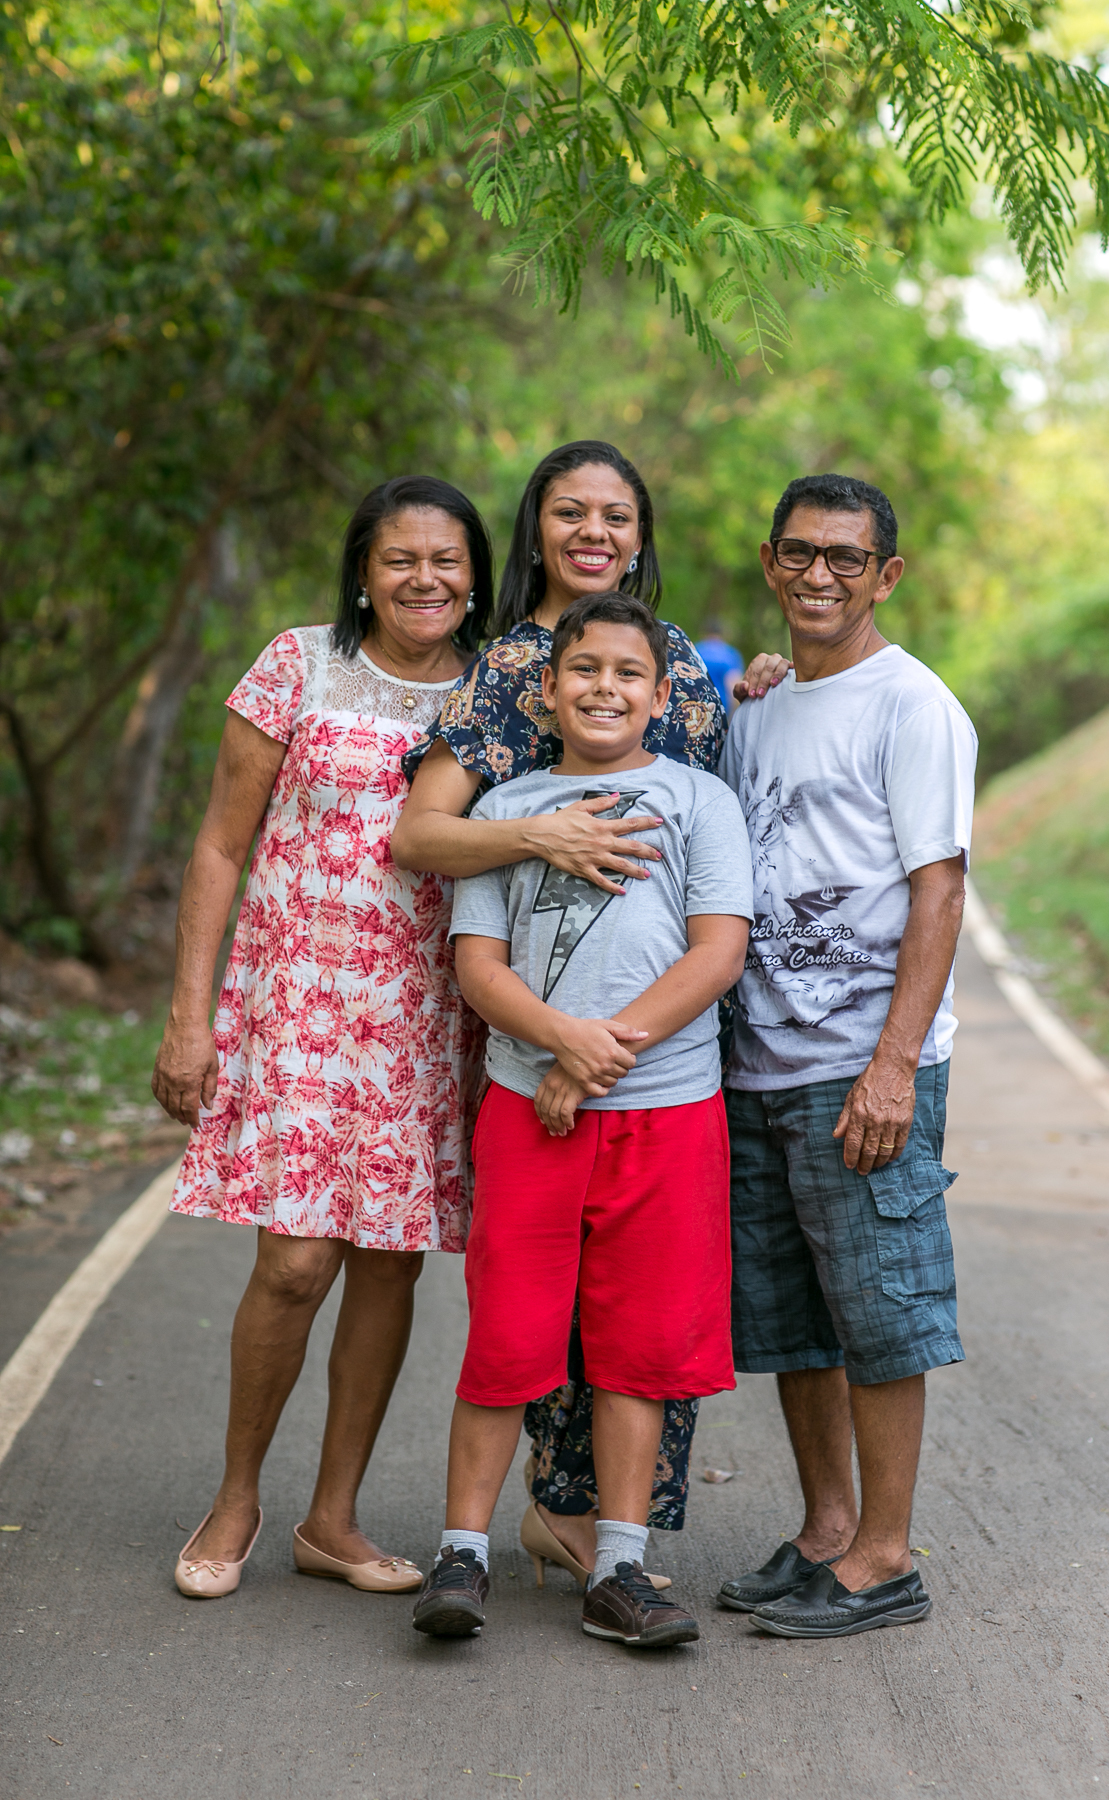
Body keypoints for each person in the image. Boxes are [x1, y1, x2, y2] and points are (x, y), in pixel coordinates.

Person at [393, 439, 788, 1586]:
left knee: (642, 1326)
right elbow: (428, 837)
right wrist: (541, 835)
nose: (595, 531)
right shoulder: (512, 663)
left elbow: (717, 857)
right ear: (536, 526)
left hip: (653, 1056)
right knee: (523, 1318)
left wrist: (762, 684)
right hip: (538, 1029)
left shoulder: (682, 668)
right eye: (570, 511)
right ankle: (524, 1521)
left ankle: (608, 1539)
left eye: (617, 513)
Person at [151, 476, 491, 1600]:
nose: (426, 579)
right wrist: (188, 1015)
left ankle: (333, 1518)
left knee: (391, 1265)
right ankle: (237, 1496)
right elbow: (217, 848)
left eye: (448, 561)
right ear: (363, 570)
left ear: (476, 576)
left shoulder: (499, 693)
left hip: (430, 1019)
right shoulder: (295, 665)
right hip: (296, 1008)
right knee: (295, 1265)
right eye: (402, 559)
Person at [715, 473, 976, 1639]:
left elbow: (939, 888)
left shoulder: (913, 705)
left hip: (865, 1063)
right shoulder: (754, 709)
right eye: (801, 553)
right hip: (762, 1059)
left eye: (847, 558)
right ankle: (826, 1531)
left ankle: (885, 1554)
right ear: (771, 562)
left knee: (878, 1311)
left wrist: (893, 1063)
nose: (821, 575)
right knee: (791, 1316)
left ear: (886, 575)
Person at [696, 619, 745, 713]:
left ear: (704, 633)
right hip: (721, 710)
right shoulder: (730, 654)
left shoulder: (695, 650)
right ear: (722, 634)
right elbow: (733, 685)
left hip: (696, 710)